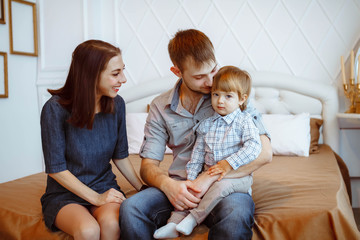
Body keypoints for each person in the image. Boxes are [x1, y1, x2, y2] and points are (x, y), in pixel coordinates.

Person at [119, 29, 272, 240]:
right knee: (131, 208)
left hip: (225, 189)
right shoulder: (160, 107)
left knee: (236, 214)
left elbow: (265, 154)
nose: (211, 82)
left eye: (213, 70)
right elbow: (147, 167)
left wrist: (207, 180)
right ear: (177, 71)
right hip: (180, 185)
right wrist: (169, 186)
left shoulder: (231, 96)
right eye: (200, 77)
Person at [40, 40, 144, 240]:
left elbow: (120, 156)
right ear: (91, 74)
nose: (123, 79)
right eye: (115, 74)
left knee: (112, 226)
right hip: (65, 194)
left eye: (122, 71)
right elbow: (56, 169)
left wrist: (142, 189)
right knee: (88, 231)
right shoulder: (54, 109)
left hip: (105, 186)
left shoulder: (117, 104)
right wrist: (96, 198)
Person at [153, 66, 262, 239]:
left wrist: (227, 164)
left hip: (236, 177)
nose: (220, 101)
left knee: (219, 186)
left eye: (228, 96)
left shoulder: (245, 121)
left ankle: (193, 219)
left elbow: (254, 147)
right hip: (209, 173)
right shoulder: (207, 124)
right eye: (216, 94)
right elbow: (197, 154)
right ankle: (174, 222)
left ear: (242, 99)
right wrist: (192, 179)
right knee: (193, 190)